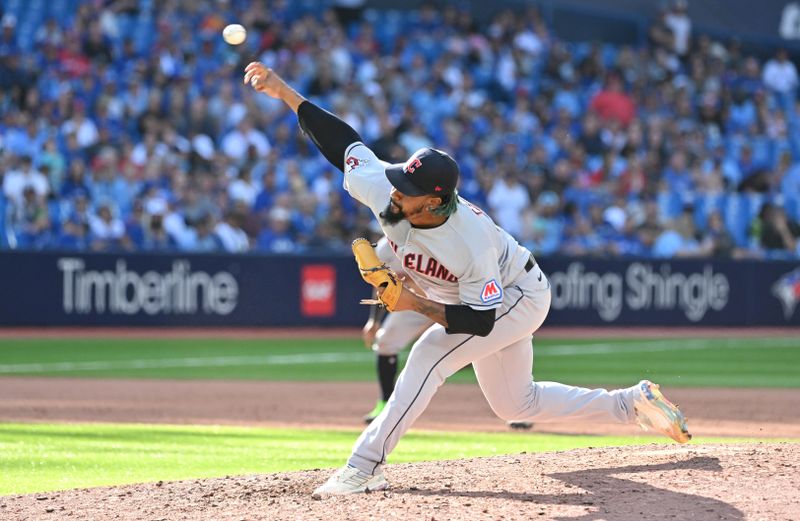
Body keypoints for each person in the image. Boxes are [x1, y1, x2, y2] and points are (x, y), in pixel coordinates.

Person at [243, 62, 692, 497]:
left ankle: (364, 468)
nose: (396, 192)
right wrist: (284, 92)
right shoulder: (388, 190)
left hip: (516, 295)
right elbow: (342, 144)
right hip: (474, 296)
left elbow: (480, 321)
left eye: (408, 191)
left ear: (437, 203)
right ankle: (632, 403)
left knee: (425, 359)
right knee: (517, 405)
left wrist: (414, 305)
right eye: (398, 182)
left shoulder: (469, 241)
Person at [361, 237, 534, 430]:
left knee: (493, 342)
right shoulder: (385, 249)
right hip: (415, 304)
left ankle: (518, 409)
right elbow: (379, 284)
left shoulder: (438, 237)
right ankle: (384, 403)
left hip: (453, 302)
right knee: (385, 341)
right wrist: (374, 320)